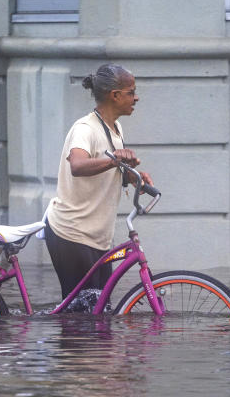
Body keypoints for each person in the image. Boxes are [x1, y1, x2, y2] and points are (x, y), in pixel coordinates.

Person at [44, 63, 153, 305]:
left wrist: (135, 177)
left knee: (98, 311)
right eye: (131, 92)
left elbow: (111, 171)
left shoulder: (115, 128)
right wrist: (115, 160)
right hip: (72, 233)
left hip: (98, 236)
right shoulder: (85, 128)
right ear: (115, 95)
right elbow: (79, 165)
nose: (137, 98)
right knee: (81, 317)